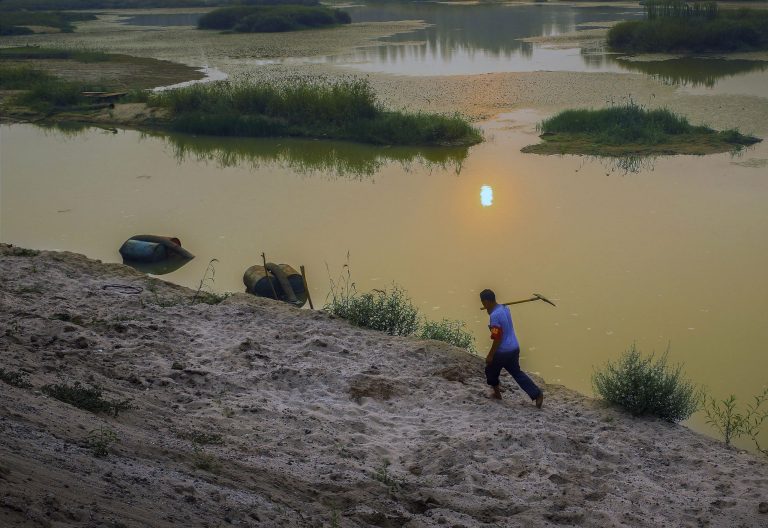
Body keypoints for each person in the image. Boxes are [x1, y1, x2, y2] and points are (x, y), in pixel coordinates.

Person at [480, 289, 543, 408]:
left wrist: (490, 355)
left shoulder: (494, 316)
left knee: (490, 371)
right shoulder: (505, 308)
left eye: (483, 303)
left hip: (503, 351)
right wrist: (490, 314)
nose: (483, 305)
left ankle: (497, 394)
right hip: (514, 347)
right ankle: (537, 394)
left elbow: (497, 337)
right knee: (517, 373)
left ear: (487, 302)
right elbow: (503, 327)